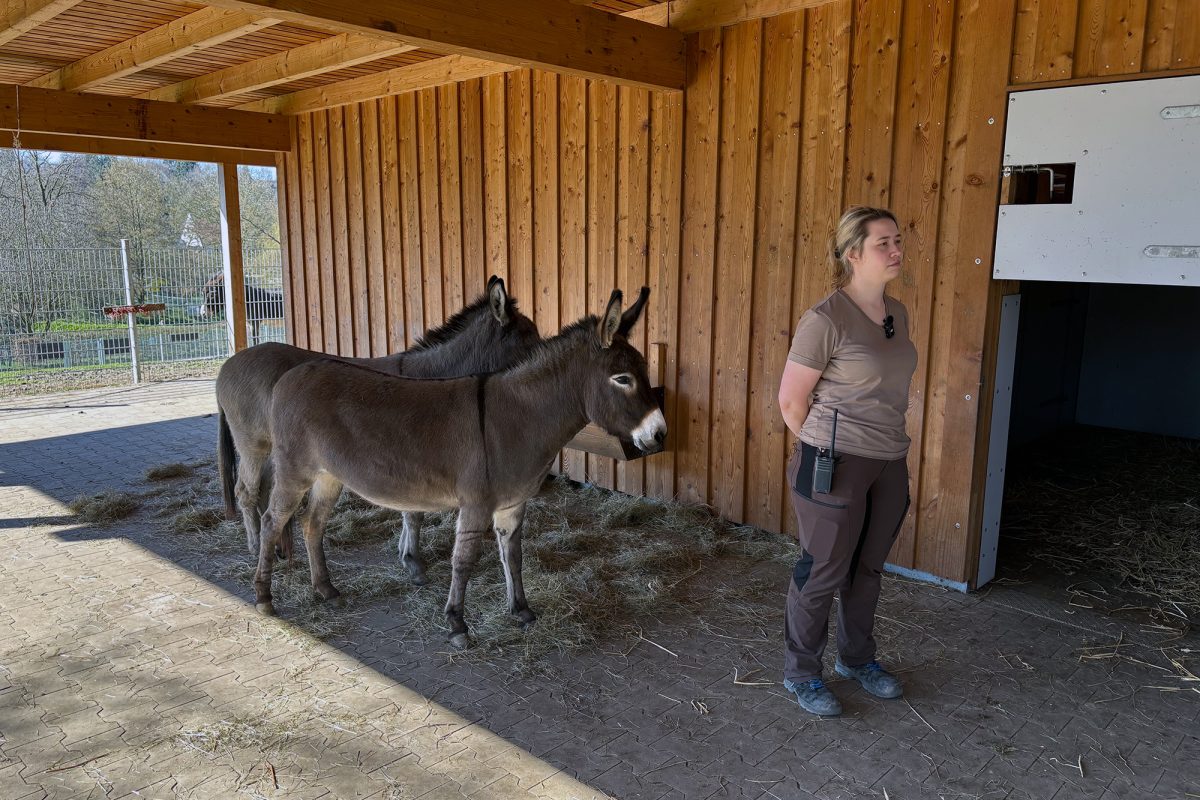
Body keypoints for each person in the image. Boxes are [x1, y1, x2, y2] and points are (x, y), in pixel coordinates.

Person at [777, 206, 917, 717]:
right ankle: (802, 673)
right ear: (853, 253)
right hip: (834, 462)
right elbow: (792, 403)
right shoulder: (825, 319)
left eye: (898, 240)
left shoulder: (896, 313)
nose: (897, 250)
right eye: (884, 242)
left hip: (889, 460)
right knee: (823, 569)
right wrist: (825, 449)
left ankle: (857, 660)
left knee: (867, 568)